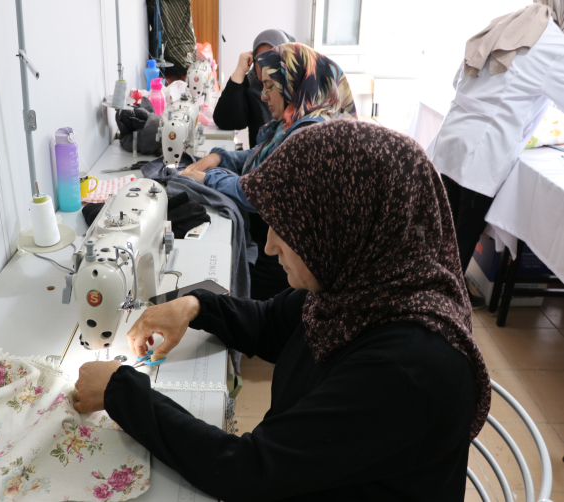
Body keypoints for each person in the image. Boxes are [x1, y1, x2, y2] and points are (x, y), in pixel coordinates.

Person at [73, 120, 491, 501]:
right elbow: (273, 322)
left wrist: (121, 392)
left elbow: (249, 471)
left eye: (288, 228)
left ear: (341, 226)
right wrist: (196, 305)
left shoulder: (408, 369)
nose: (271, 245)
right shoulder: (359, 289)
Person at [182, 43, 356, 300]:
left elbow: (258, 192)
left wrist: (209, 177)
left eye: (269, 86)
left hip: (289, 263)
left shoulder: (310, 134)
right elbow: (268, 156)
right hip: (282, 245)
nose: (263, 96)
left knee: (216, 281)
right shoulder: (297, 121)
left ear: (293, 82)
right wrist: (220, 157)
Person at [431, 0, 564, 306]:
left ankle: (436, 297)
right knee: (463, 235)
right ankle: (443, 307)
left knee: (445, 232)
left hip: (453, 139)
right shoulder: (553, 42)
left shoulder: (508, 22)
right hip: (483, 150)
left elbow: (458, 77)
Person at [213, 29, 295, 147]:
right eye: (259, 59)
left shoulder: (297, 89)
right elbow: (226, 121)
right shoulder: (251, 85)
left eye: (270, 58)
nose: (264, 66)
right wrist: (239, 71)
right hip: (259, 156)